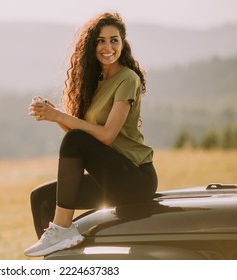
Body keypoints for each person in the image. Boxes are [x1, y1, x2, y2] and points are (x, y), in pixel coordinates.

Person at [25, 12, 158, 257]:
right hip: (110, 175)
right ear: (91, 45)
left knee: (75, 140)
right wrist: (56, 115)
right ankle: (58, 258)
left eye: (114, 40)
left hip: (135, 178)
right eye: (100, 41)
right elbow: (83, 136)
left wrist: (62, 117)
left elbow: (106, 136)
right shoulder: (95, 83)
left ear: (123, 43)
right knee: (41, 197)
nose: (108, 47)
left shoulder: (128, 78)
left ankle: (62, 228)